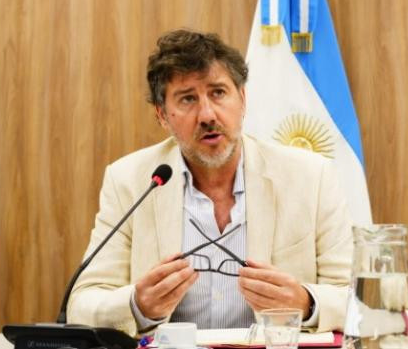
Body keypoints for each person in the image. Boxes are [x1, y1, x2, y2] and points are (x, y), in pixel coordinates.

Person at [67, 29, 353, 336]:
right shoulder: (130, 181)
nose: (207, 115)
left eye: (218, 93)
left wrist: (306, 303)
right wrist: (137, 305)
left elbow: (360, 301)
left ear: (242, 99)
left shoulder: (310, 178)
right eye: (188, 99)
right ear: (162, 115)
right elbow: (81, 304)